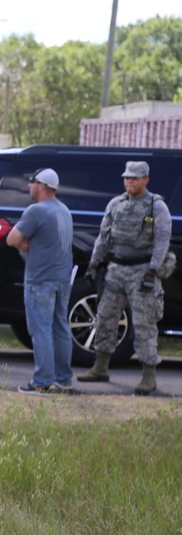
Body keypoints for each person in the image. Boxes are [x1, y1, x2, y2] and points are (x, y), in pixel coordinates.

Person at [77, 160, 173, 395]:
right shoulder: (116, 204)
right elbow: (103, 238)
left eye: (135, 178)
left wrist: (152, 270)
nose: (129, 181)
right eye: (127, 177)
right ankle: (100, 367)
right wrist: (93, 263)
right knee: (105, 317)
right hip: (116, 269)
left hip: (142, 271)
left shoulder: (156, 207)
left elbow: (162, 241)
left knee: (144, 323)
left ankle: (148, 375)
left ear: (145, 180)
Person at [5, 168, 74, 395]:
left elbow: (11, 239)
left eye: (32, 182)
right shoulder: (64, 210)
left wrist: (26, 243)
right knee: (61, 328)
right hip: (62, 278)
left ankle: (42, 381)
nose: (29, 186)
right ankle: (63, 379)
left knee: (41, 330)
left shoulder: (36, 210)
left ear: (42, 185)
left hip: (40, 279)